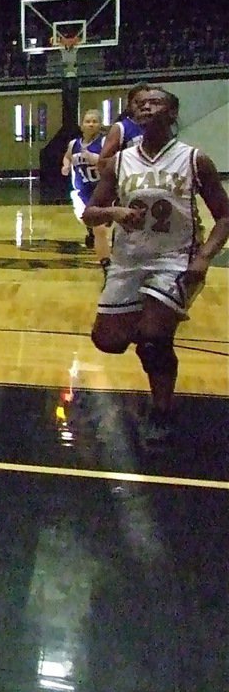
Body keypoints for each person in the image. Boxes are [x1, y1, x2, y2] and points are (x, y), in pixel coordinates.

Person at [83, 86, 229, 446]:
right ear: (132, 114)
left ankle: (162, 409)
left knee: (153, 339)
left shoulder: (194, 159)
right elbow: (89, 214)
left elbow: (225, 215)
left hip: (175, 260)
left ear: (173, 111)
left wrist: (204, 257)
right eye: (139, 104)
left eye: (155, 102)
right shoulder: (119, 161)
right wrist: (114, 211)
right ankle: (153, 335)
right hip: (128, 261)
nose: (146, 107)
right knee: (107, 340)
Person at [61, 109, 110, 267]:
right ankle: (91, 231)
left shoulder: (104, 142)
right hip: (82, 191)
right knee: (90, 222)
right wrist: (66, 166)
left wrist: (97, 159)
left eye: (94, 121)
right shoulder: (74, 144)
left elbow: (112, 161)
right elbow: (67, 156)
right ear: (81, 125)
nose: (91, 124)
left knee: (100, 228)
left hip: (101, 189)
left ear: (100, 125)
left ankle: (106, 263)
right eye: (88, 121)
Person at [97, 82, 148, 166]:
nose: (143, 106)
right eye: (138, 102)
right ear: (129, 105)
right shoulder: (121, 128)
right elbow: (102, 162)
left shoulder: (157, 128)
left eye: (146, 102)